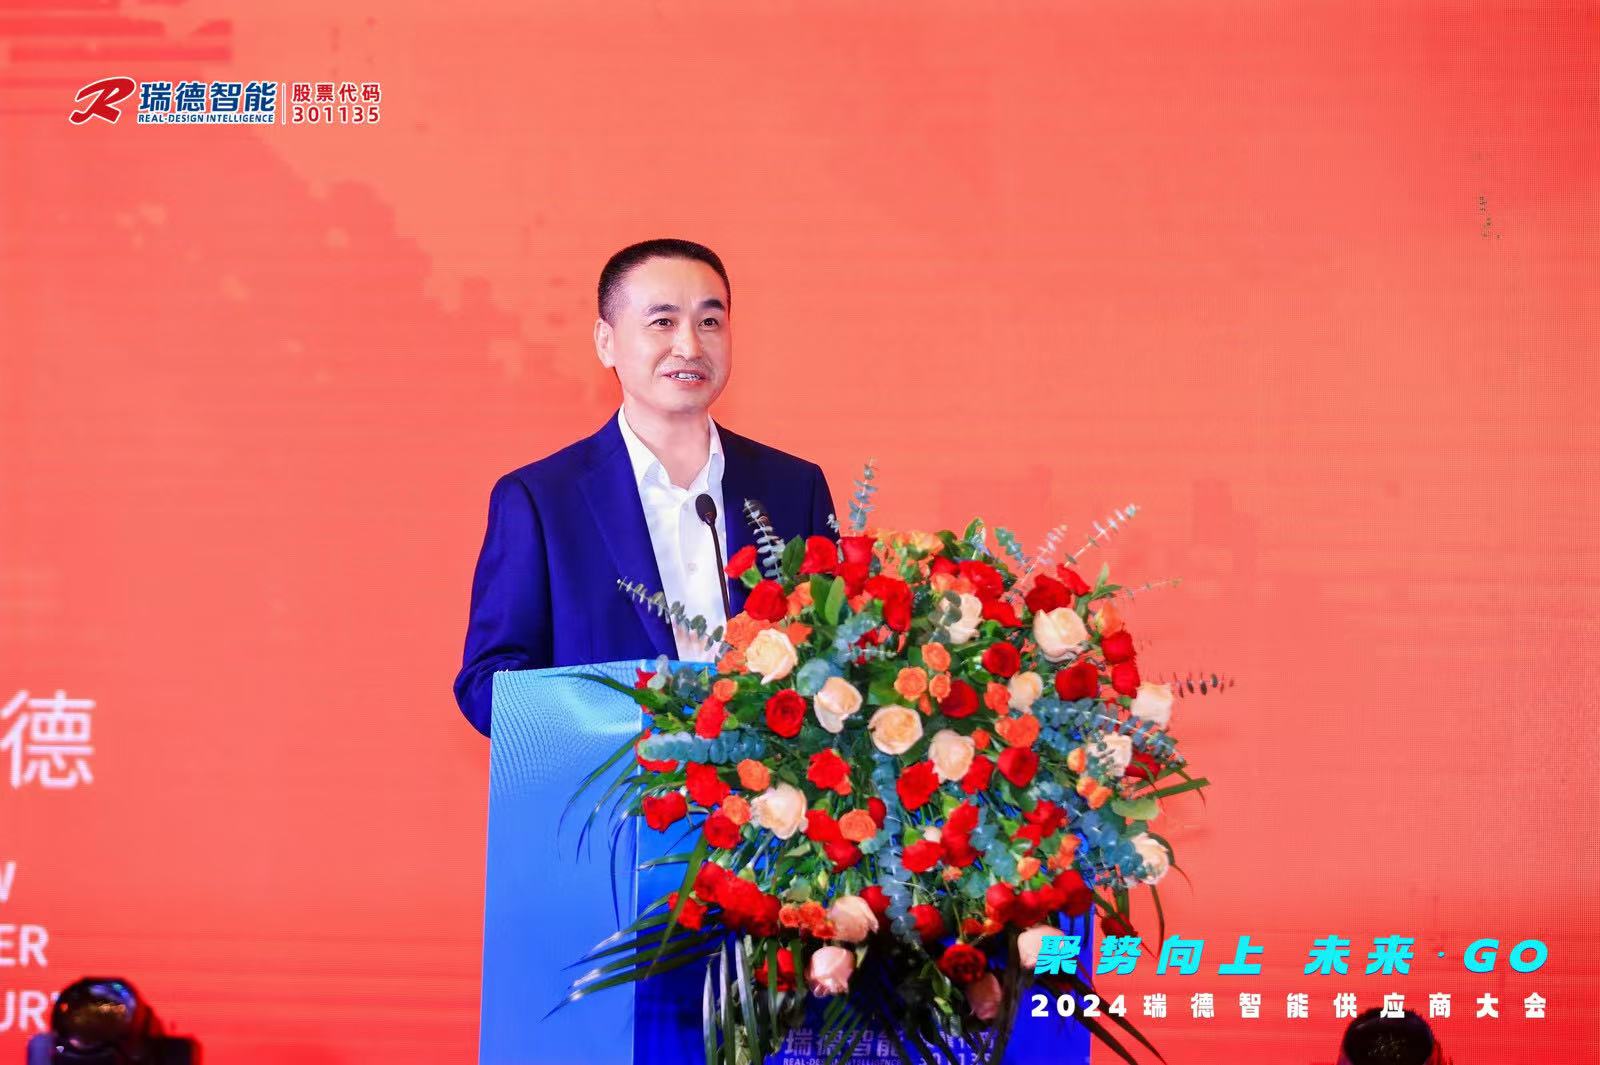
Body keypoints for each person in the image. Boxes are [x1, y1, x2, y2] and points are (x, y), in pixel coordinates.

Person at [453, 238, 837, 736]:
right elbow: (488, 684)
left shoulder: (795, 488)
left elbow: (837, 655)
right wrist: (637, 721)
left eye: (709, 322)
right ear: (605, 341)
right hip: (617, 784)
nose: (690, 346)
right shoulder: (541, 501)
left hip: (765, 784)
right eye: (662, 322)